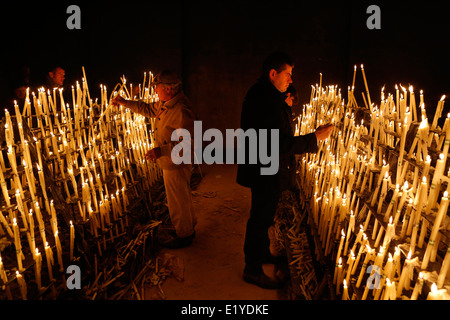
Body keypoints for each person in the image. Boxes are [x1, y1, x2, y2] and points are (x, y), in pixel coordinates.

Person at [237, 52, 334, 289]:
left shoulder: (267, 94)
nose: (290, 80)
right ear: (273, 73)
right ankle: (252, 269)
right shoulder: (265, 99)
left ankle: (261, 255)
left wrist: (286, 105)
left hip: (264, 166)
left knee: (264, 215)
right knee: (259, 219)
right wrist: (315, 137)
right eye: (287, 74)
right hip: (263, 169)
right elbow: (279, 144)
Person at [111, 70, 197, 249]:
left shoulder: (181, 110)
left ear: (168, 89)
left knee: (177, 201)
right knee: (182, 197)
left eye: (157, 87)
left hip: (177, 163)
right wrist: (125, 102)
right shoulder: (165, 104)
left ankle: (184, 236)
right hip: (170, 161)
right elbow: (147, 109)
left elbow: (187, 144)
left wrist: (161, 151)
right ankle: (188, 228)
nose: (154, 90)